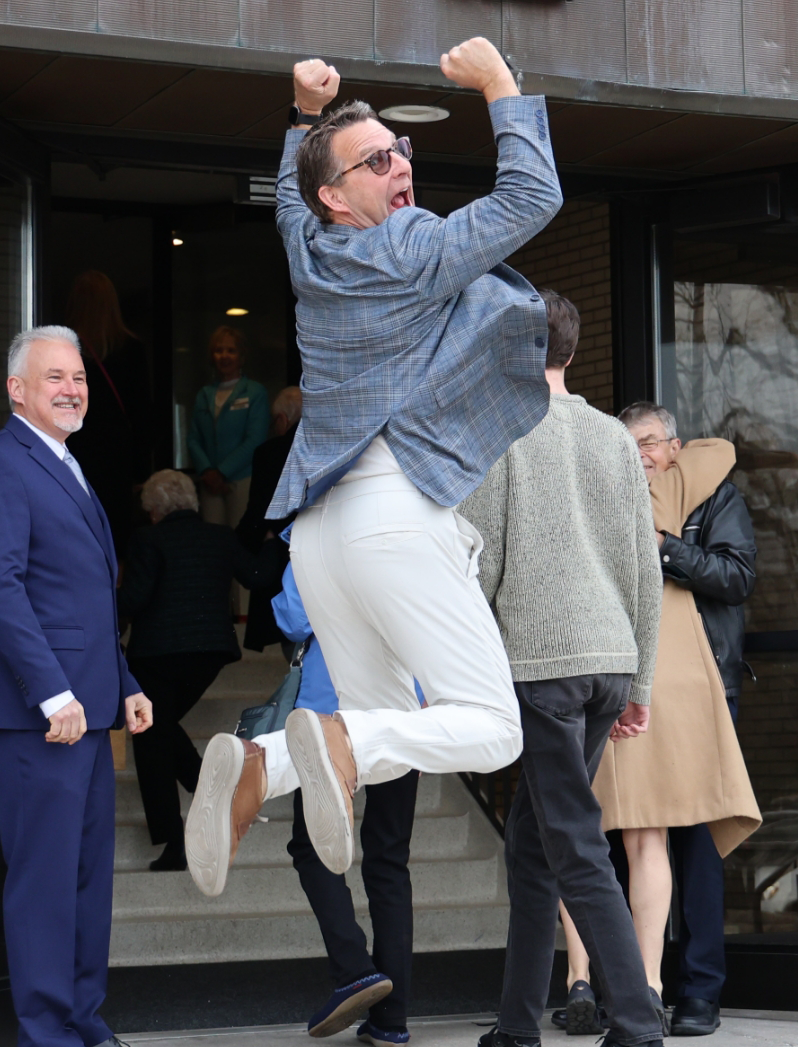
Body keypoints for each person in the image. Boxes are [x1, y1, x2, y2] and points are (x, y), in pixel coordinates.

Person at [185, 36, 564, 903]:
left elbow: (285, 200)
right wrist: (501, 84)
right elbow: (532, 193)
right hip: (396, 513)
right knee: (491, 730)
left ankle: (258, 763)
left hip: (320, 536)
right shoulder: (411, 249)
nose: (401, 166)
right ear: (339, 197)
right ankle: (328, 752)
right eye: (376, 159)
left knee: (369, 723)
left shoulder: (309, 253)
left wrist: (305, 116)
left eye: (402, 151)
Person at [460, 291, 678, 1047]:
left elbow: (477, 565)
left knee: (576, 845)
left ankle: (637, 1036)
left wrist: (449, 680)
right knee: (535, 842)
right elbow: (641, 569)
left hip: (543, 666)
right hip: (608, 661)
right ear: (569, 353)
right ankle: (517, 1030)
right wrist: (640, 680)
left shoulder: (499, 432)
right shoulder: (612, 439)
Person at [0, 326, 168, 1047]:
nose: (72, 388)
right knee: (43, 881)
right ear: (18, 390)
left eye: (79, 378)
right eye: (55, 377)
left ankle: (85, 1025)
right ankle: (43, 1044)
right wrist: (54, 691)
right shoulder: (9, 463)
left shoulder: (64, 464)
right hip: (43, 719)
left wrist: (124, 681)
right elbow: (4, 589)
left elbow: (82, 602)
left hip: (89, 710)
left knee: (86, 882)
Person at [583, 403, 760, 1038]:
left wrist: (666, 550)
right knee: (628, 838)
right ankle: (630, 988)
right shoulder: (607, 500)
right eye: (631, 444)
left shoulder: (712, 497)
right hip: (630, 692)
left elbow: (737, 577)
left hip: (704, 687)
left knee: (699, 844)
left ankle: (700, 991)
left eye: (653, 442)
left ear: (676, 446)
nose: (644, 454)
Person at [271, 564, 419, 1047]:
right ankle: (391, 1020)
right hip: (403, 706)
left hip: (328, 706)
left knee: (312, 845)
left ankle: (355, 970)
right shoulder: (412, 524)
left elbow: (293, 620)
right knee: (389, 859)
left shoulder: (313, 532)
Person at [117, 469, 281, 871]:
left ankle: (180, 837)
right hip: (209, 653)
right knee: (160, 730)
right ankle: (217, 799)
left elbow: (134, 598)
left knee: (153, 734)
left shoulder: (147, 539)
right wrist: (280, 542)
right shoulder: (221, 536)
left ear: (154, 511)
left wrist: (105, 626)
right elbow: (259, 575)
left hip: (156, 654)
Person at [64, 269, 152, 557]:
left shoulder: (63, 352)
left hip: (75, 455)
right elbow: (141, 415)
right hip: (117, 460)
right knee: (114, 540)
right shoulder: (131, 350)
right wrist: (141, 469)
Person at [236, 386, 302, 654]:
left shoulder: (270, 452)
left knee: (292, 625)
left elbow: (261, 508)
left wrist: (242, 543)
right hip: (328, 550)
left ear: (282, 420)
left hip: (285, 552)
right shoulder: (332, 446)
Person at [187, 325, 269, 529]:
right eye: (219, 350)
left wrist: (222, 472)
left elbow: (255, 440)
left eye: (231, 350)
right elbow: (193, 438)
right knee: (213, 542)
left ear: (241, 356)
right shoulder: (203, 394)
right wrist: (207, 471)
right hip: (209, 483)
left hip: (242, 479)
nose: (224, 356)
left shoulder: (255, 392)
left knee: (240, 539)